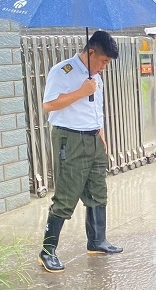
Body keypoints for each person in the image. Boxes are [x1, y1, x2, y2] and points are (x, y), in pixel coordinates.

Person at [38, 31, 122, 273]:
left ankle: (97, 241)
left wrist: (102, 137)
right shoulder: (63, 71)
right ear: (91, 52)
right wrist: (81, 91)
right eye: (104, 61)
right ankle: (47, 251)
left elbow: (97, 109)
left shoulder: (97, 77)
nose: (104, 67)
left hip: (93, 138)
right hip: (70, 139)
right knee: (66, 197)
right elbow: (48, 105)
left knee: (97, 191)